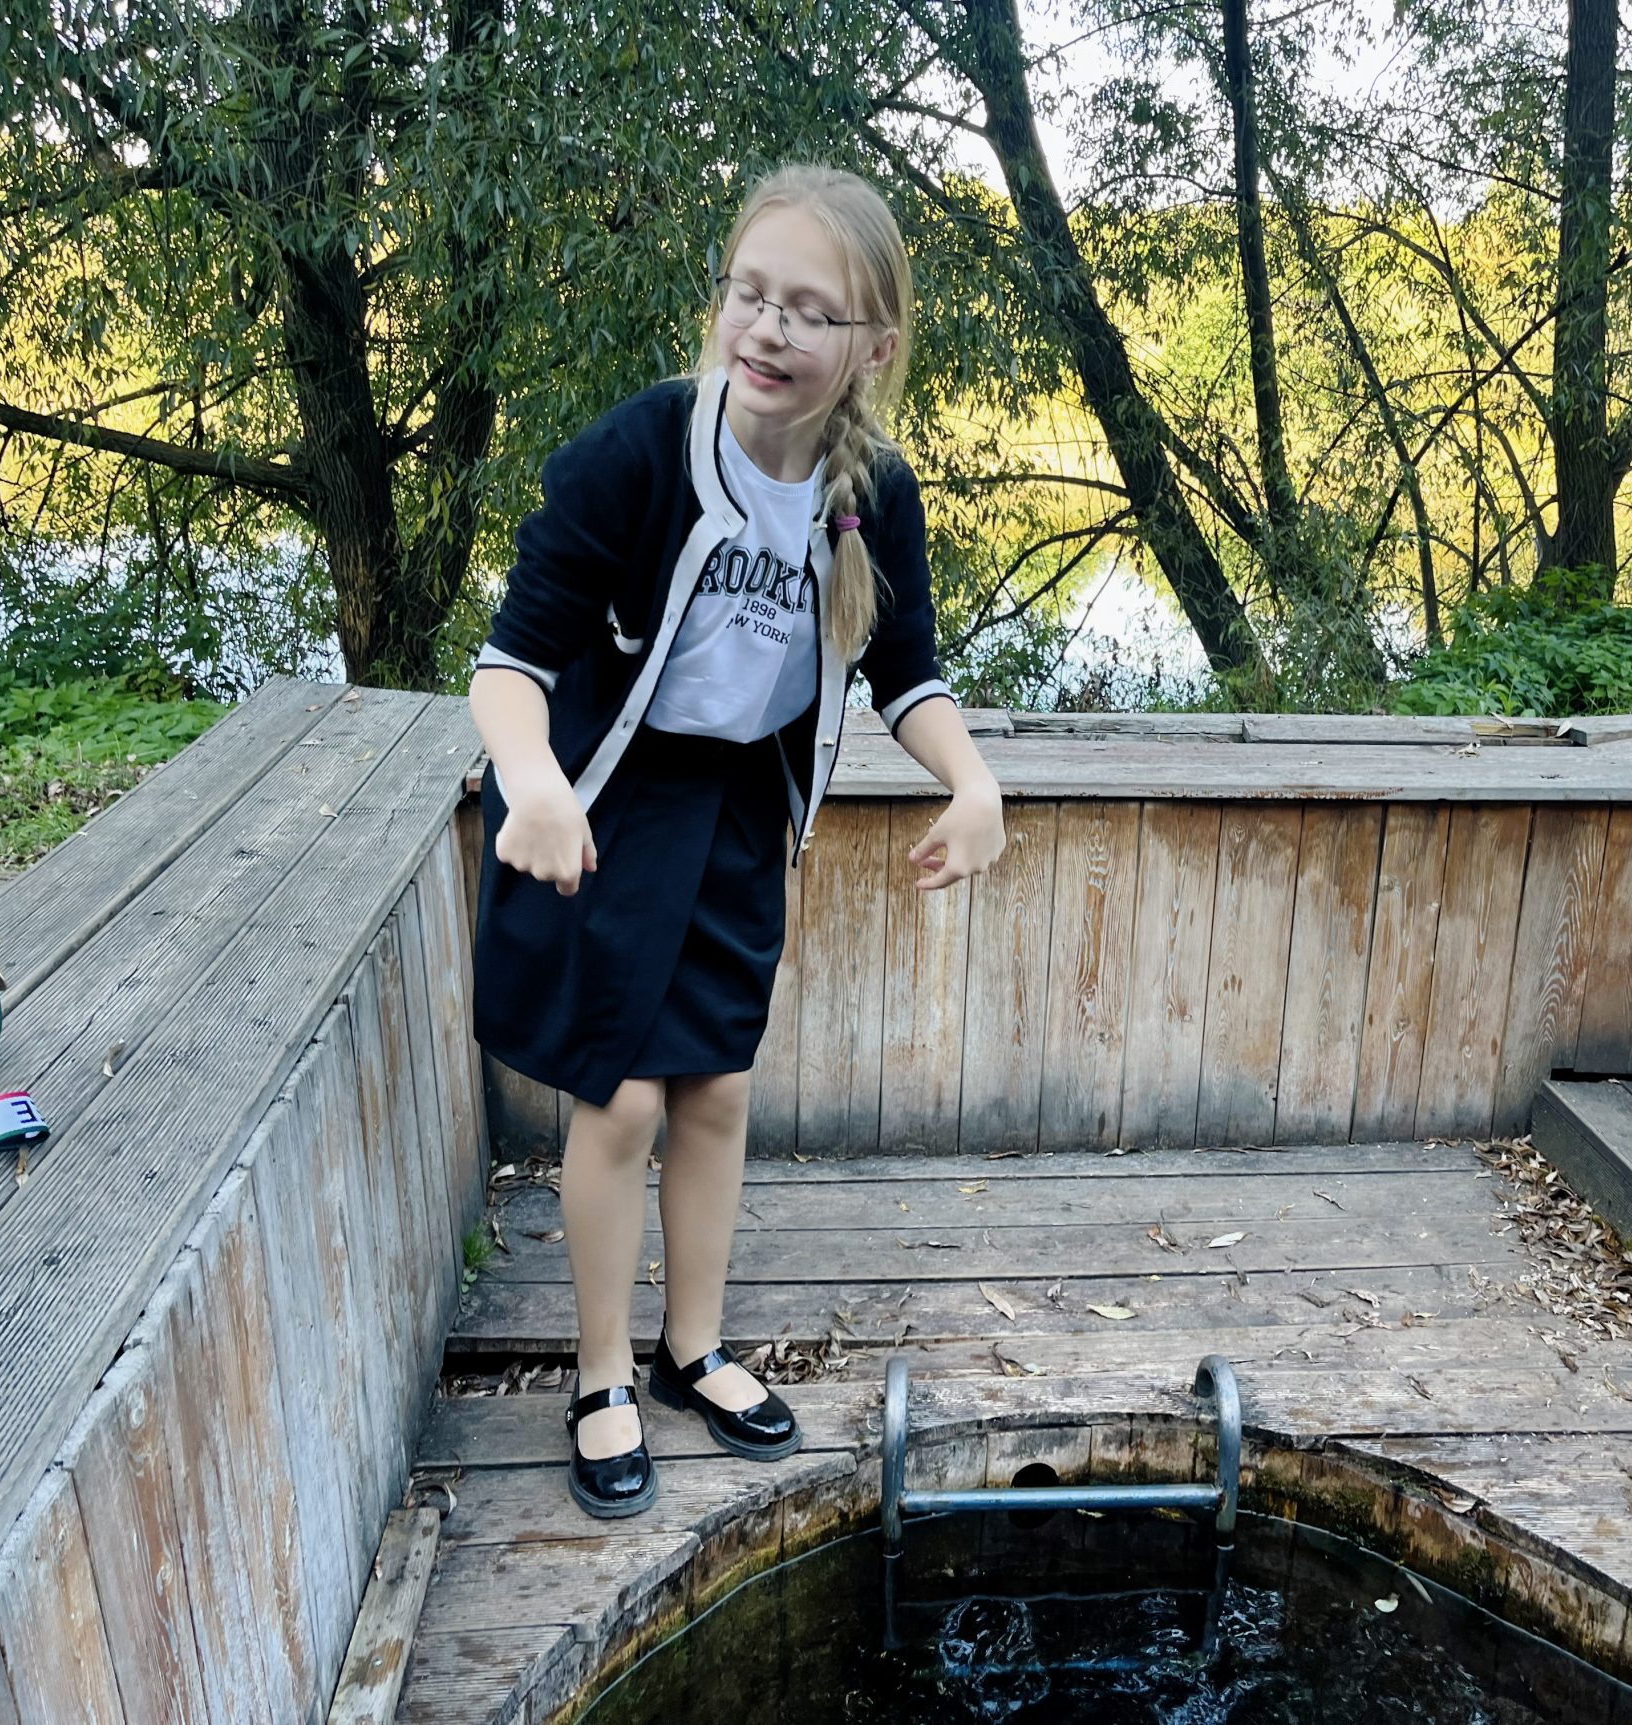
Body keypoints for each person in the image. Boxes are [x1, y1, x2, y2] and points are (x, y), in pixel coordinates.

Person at [467, 165, 1006, 1516]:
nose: (767, 329)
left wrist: (971, 781)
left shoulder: (871, 493)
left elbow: (906, 672)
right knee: (622, 1097)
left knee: (714, 1090)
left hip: (741, 809)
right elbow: (511, 661)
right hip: (609, 798)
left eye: (808, 311)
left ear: (871, 347)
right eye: (750, 294)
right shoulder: (641, 451)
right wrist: (532, 782)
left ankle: (691, 1347)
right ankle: (600, 1373)